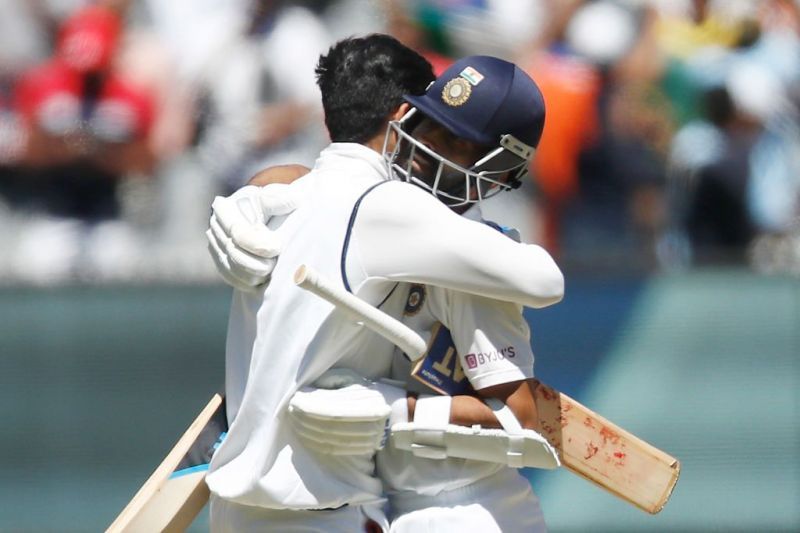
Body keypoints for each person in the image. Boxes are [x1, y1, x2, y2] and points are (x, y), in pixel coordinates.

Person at [208, 47, 562, 531]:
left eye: (458, 142)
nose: (435, 152)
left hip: (294, 506)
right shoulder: (367, 203)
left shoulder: (292, 200)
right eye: (436, 129)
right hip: (331, 507)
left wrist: (395, 409)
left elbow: (518, 404)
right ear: (405, 117)